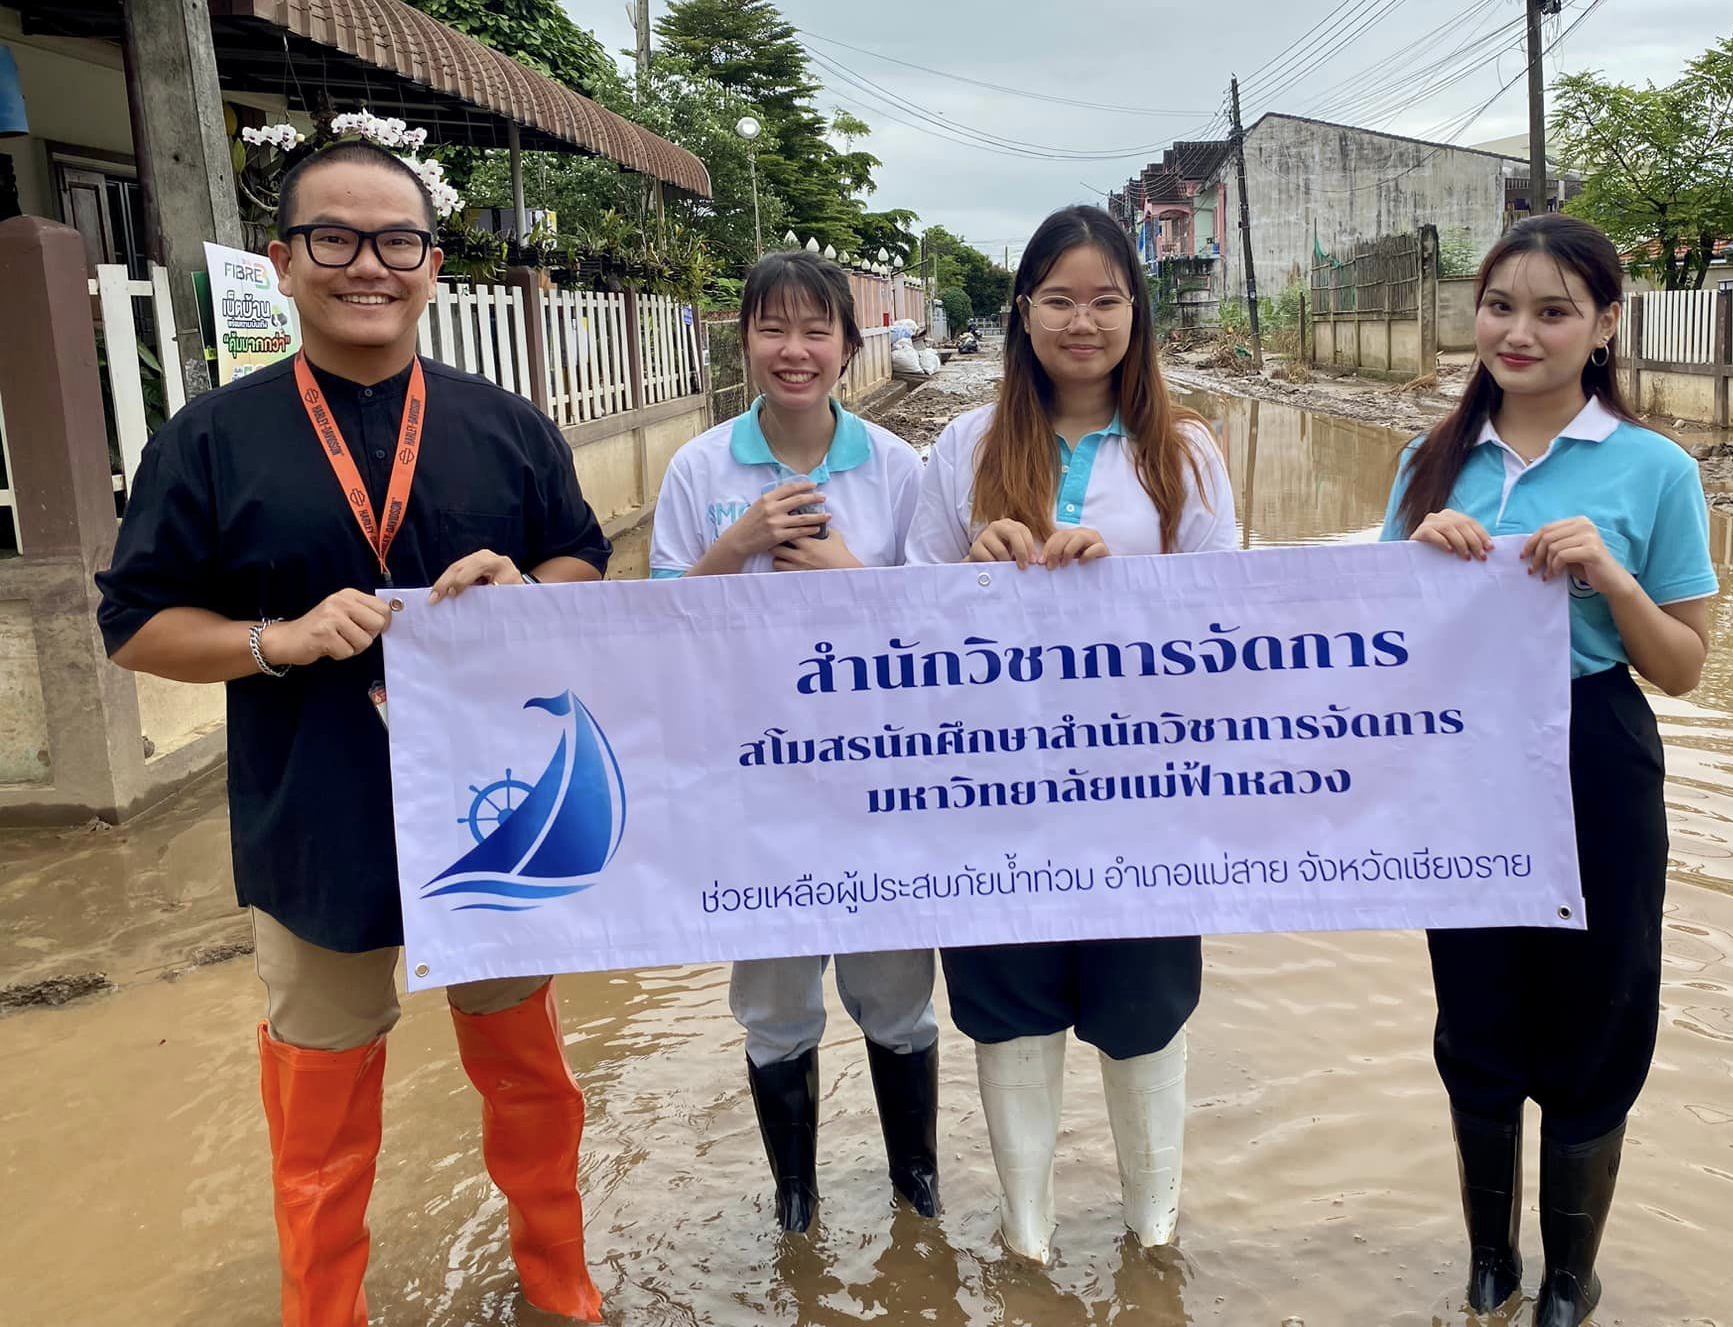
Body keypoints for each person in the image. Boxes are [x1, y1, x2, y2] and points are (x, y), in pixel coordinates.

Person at [96, 140, 611, 1326]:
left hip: (501, 819)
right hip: (313, 814)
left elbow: (585, 560)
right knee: (322, 1098)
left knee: (528, 1073)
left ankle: (559, 1286)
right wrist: (272, 640)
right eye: (334, 238)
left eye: (398, 241)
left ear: (433, 265)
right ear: (282, 262)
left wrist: (533, 591)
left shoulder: (507, 427)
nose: (367, 265)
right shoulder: (212, 439)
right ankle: (323, 1312)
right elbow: (135, 625)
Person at [1380, 214, 1716, 1327]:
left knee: (1598, 1010)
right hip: (1462, 758)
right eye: (1499, 306)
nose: (1517, 332)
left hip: (1594, 758)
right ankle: (1490, 1263)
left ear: (1605, 324)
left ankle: (1569, 1280)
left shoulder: (1652, 469)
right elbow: (1372, 661)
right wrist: (1417, 568)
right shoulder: (1425, 464)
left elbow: (1683, 669)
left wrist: (1612, 583)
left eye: (1552, 310)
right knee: (1473, 1011)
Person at [906, 204, 1235, 1260]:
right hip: (992, 782)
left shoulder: (1182, 455)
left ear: (1137, 314)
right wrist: (967, 577)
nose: (1080, 321)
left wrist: (1128, 589)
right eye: (1058, 298)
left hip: (1141, 790)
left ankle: (1153, 1235)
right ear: (1022, 312)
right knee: (1007, 1008)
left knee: (1142, 1008)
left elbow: (1233, 626)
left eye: (1104, 299)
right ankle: (1027, 1239)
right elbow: (903, 620)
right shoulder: (961, 446)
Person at [648, 249, 939, 1233]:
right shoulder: (700, 468)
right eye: (772, 327)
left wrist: (844, 569)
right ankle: (795, 1200)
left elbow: (932, 639)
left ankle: (916, 1189)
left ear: (851, 347)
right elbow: (653, 639)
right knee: (774, 1003)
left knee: (895, 992)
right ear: (744, 341)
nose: (794, 350)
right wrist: (735, 548)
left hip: (876, 782)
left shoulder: (898, 469)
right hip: (753, 786)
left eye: (816, 330)